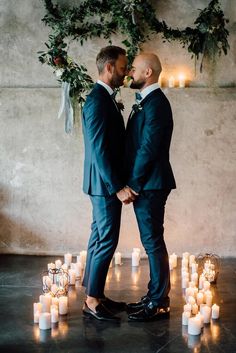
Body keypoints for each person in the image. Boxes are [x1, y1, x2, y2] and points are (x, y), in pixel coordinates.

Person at [81, 46, 134, 322]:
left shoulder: (105, 98)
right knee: (106, 240)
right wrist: (117, 186)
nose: (126, 73)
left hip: (102, 184)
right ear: (109, 67)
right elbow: (99, 149)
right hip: (104, 186)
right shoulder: (97, 101)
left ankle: (95, 295)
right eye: (124, 67)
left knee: (98, 238)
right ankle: (92, 301)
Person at [125, 53, 176, 321]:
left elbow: (148, 148)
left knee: (153, 242)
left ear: (148, 73)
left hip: (151, 184)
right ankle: (154, 295)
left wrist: (133, 184)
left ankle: (159, 301)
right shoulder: (147, 102)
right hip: (149, 183)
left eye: (133, 69)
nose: (129, 72)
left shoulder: (157, 104)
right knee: (152, 241)